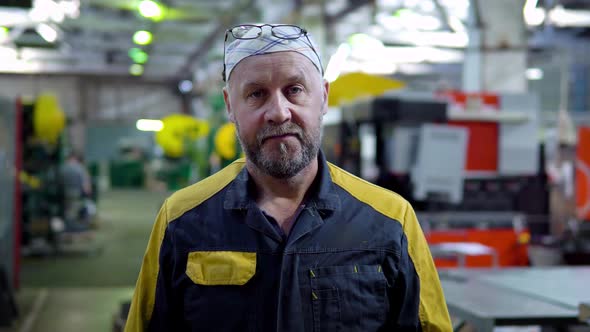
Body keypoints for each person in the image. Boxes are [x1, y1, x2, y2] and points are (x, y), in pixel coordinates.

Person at [125, 23, 451, 331]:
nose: (279, 112)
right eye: (256, 94)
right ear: (229, 105)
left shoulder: (391, 220)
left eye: (294, 90)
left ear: (322, 96)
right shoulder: (182, 219)